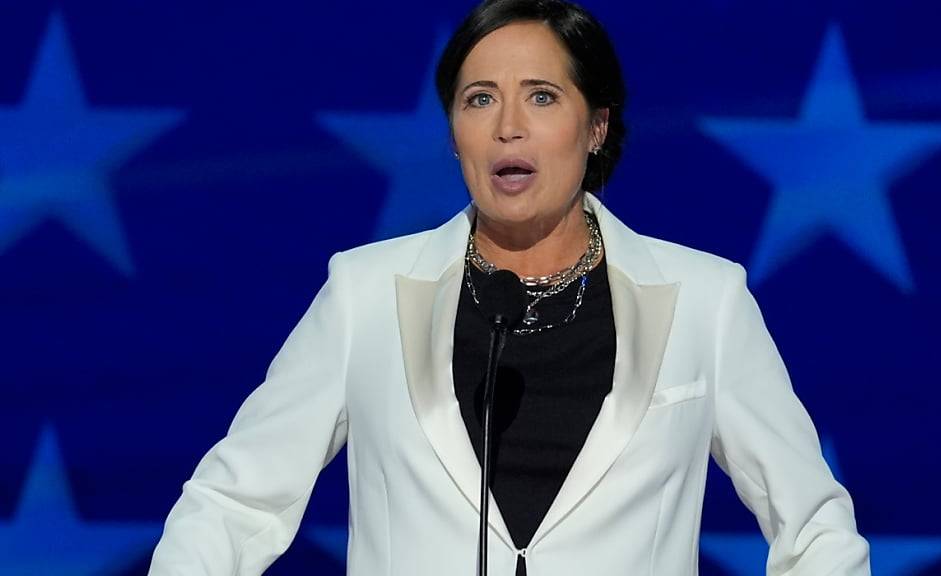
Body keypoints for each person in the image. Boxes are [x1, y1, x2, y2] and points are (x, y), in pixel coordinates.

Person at [148, 1, 871, 574]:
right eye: (480, 99)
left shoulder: (705, 301)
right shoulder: (363, 294)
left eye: (543, 97)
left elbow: (814, 526)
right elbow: (233, 503)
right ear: (454, 130)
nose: (509, 128)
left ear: (597, 126)